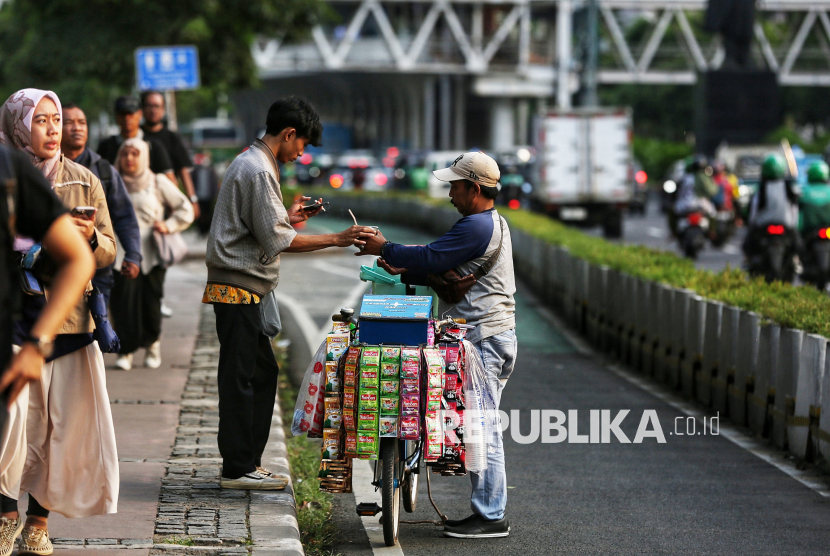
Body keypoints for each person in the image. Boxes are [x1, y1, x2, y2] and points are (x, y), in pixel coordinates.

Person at [204, 96, 375, 490]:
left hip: (242, 285)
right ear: (289, 134)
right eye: (303, 145)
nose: (302, 153)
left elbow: (265, 226)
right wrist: (338, 238)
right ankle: (238, 467)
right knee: (241, 377)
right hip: (238, 286)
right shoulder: (259, 170)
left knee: (259, 374)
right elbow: (280, 240)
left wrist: (291, 217)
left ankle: (245, 461)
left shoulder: (254, 162)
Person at [357, 151, 515, 539]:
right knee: (479, 425)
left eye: (455, 186)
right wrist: (401, 265)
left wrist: (385, 247)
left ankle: (491, 515)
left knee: (482, 427)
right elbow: (441, 268)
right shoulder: (485, 222)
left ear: (474, 189)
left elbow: (432, 255)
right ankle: (487, 510)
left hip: (485, 337)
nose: (450, 194)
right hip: (488, 335)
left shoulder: (476, 227)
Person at [0, 89, 119, 555]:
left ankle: (38, 523)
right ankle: (5, 515)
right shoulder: (10, 174)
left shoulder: (83, 180)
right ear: (17, 125)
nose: (52, 129)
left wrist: (89, 242)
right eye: (41, 120)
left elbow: (109, 248)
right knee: (14, 426)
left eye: (56, 120)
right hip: (13, 317)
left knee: (61, 428)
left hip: (68, 322)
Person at [110, 138, 194, 371]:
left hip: (152, 252)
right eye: (125, 153)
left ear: (144, 156)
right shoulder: (112, 182)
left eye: (135, 154)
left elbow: (185, 208)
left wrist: (169, 225)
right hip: (120, 253)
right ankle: (125, 350)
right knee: (122, 303)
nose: (129, 159)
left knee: (151, 302)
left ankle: (152, 345)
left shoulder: (157, 181)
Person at [61, 103, 142, 305]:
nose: (77, 128)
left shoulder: (103, 171)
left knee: (97, 330)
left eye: (82, 122)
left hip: (98, 270)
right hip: (57, 268)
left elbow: (124, 216)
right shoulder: (44, 170)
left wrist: (133, 254)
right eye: (69, 122)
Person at [140, 91, 200, 218]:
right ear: (142, 109)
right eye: (149, 105)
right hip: (141, 199)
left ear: (163, 110)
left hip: (166, 200)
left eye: (156, 106)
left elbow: (183, 170)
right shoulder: (136, 136)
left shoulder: (172, 137)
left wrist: (192, 199)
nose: (153, 110)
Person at [96, 96, 174, 182]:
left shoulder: (153, 145)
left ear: (140, 114)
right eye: (122, 114)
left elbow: (169, 180)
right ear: (116, 116)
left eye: (130, 114)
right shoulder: (106, 146)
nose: (126, 118)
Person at [743, 153, 800, 257]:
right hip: (785, 225)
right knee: (798, 246)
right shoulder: (787, 187)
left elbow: (754, 210)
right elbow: (794, 208)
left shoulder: (762, 188)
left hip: (763, 226)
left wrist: (752, 224)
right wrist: (793, 224)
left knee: (748, 245)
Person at [191, 151, 220, 235]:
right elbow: (192, 182)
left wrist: (215, 195)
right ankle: (200, 230)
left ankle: (207, 230)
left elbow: (214, 184)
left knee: (208, 214)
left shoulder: (211, 171)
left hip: (209, 196)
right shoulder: (196, 171)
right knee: (200, 214)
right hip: (198, 196)